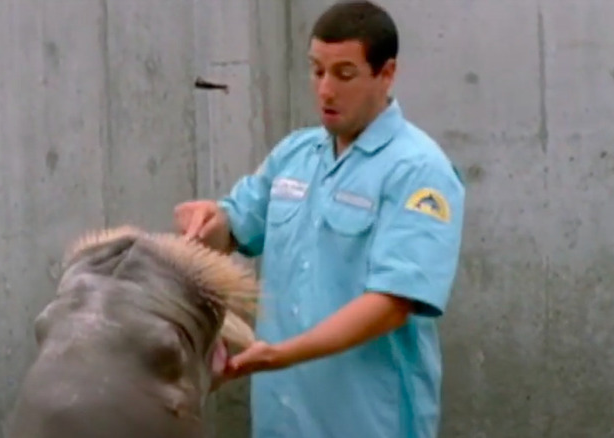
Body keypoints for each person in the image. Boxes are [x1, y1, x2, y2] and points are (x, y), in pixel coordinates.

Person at [174, 1, 465, 437]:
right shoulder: (295, 154)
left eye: (344, 74)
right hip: (283, 420)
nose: (326, 90)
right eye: (316, 71)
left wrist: (281, 355)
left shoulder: (418, 171)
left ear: (386, 74)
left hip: (367, 422)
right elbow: (235, 225)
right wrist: (208, 223)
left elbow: (391, 304)